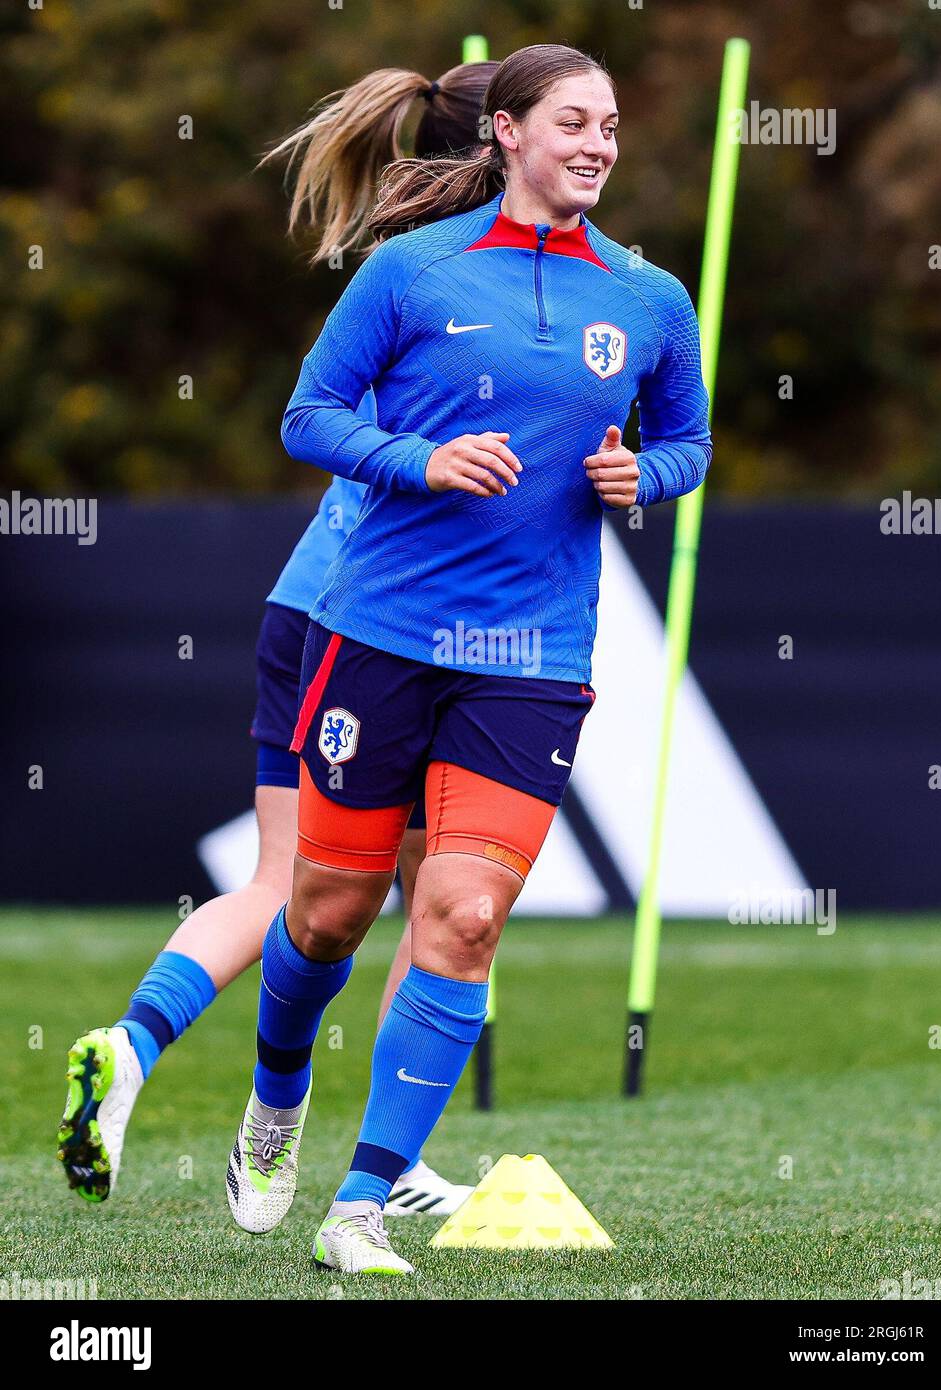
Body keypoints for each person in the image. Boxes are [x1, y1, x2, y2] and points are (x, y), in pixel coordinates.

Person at [229, 42, 714, 1276]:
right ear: (503, 132)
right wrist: (421, 462)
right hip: (379, 633)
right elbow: (307, 417)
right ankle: (275, 1104)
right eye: (571, 121)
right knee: (329, 916)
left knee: (465, 913)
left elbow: (688, 445)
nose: (597, 143)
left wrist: (639, 476)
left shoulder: (649, 299)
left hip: (531, 656)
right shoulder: (407, 271)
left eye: (609, 124)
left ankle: (359, 1202)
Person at [56, 60, 498, 1221]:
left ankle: (132, 1046)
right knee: (434, 898)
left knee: (283, 883)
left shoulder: (401, 266)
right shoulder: (494, 280)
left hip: (306, 598)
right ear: (504, 144)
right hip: (402, 622)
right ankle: (378, 1160)